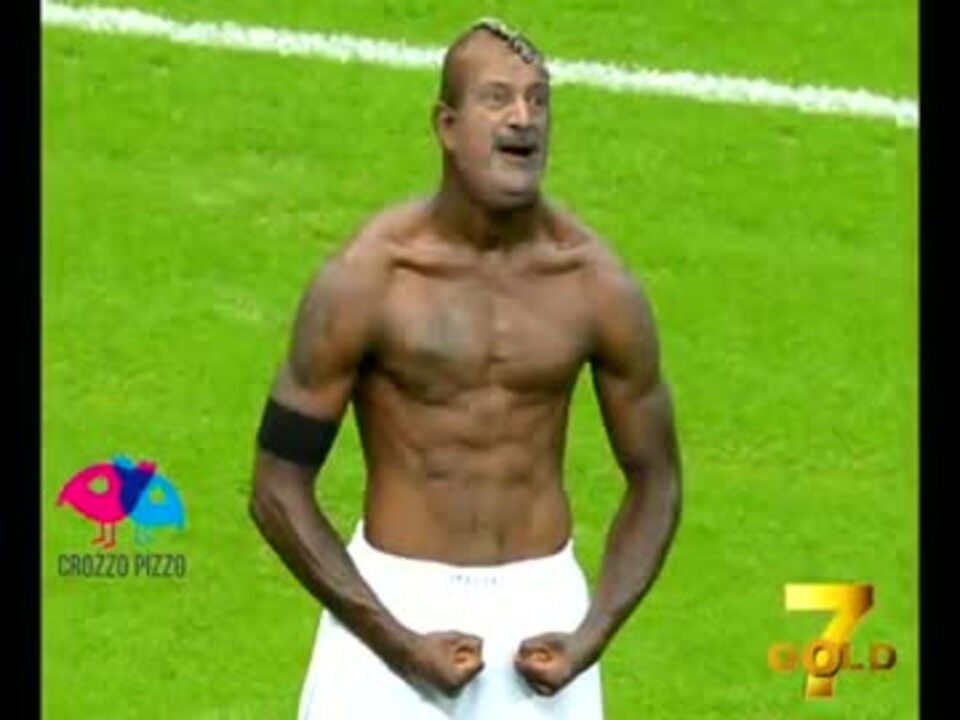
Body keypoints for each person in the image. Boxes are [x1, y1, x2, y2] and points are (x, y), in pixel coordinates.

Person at [249, 17, 682, 720]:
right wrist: (395, 642)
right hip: (392, 607)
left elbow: (657, 479)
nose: (523, 118)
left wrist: (590, 634)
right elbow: (276, 485)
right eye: (497, 98)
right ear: (446, 126)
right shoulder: (368, 279)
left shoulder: (595, 285)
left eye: (538, 100)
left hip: (543, 620)